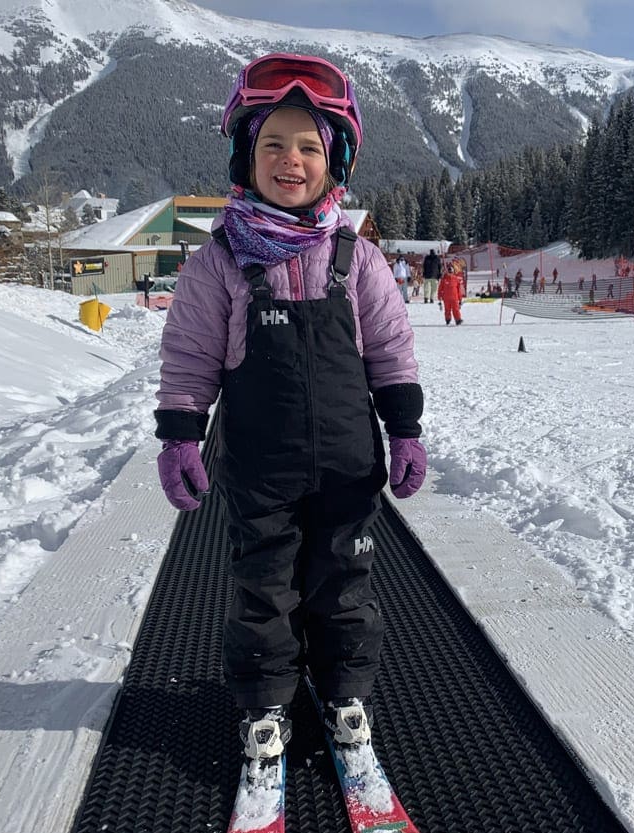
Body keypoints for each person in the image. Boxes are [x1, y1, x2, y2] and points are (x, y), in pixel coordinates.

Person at [152, 52, 427, 771]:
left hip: (347, 468)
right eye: (273, 143)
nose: (291, 160)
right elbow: (189, 356)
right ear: (247, 157)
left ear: (334, 163)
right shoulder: (221, 262)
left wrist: (405, 429)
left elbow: (392, 349)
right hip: (260, 471)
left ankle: (344, 694)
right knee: (263, 591)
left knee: (345, 587)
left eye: (309, 146)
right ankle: (267, 706)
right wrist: (182, 435)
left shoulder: (355, 259)